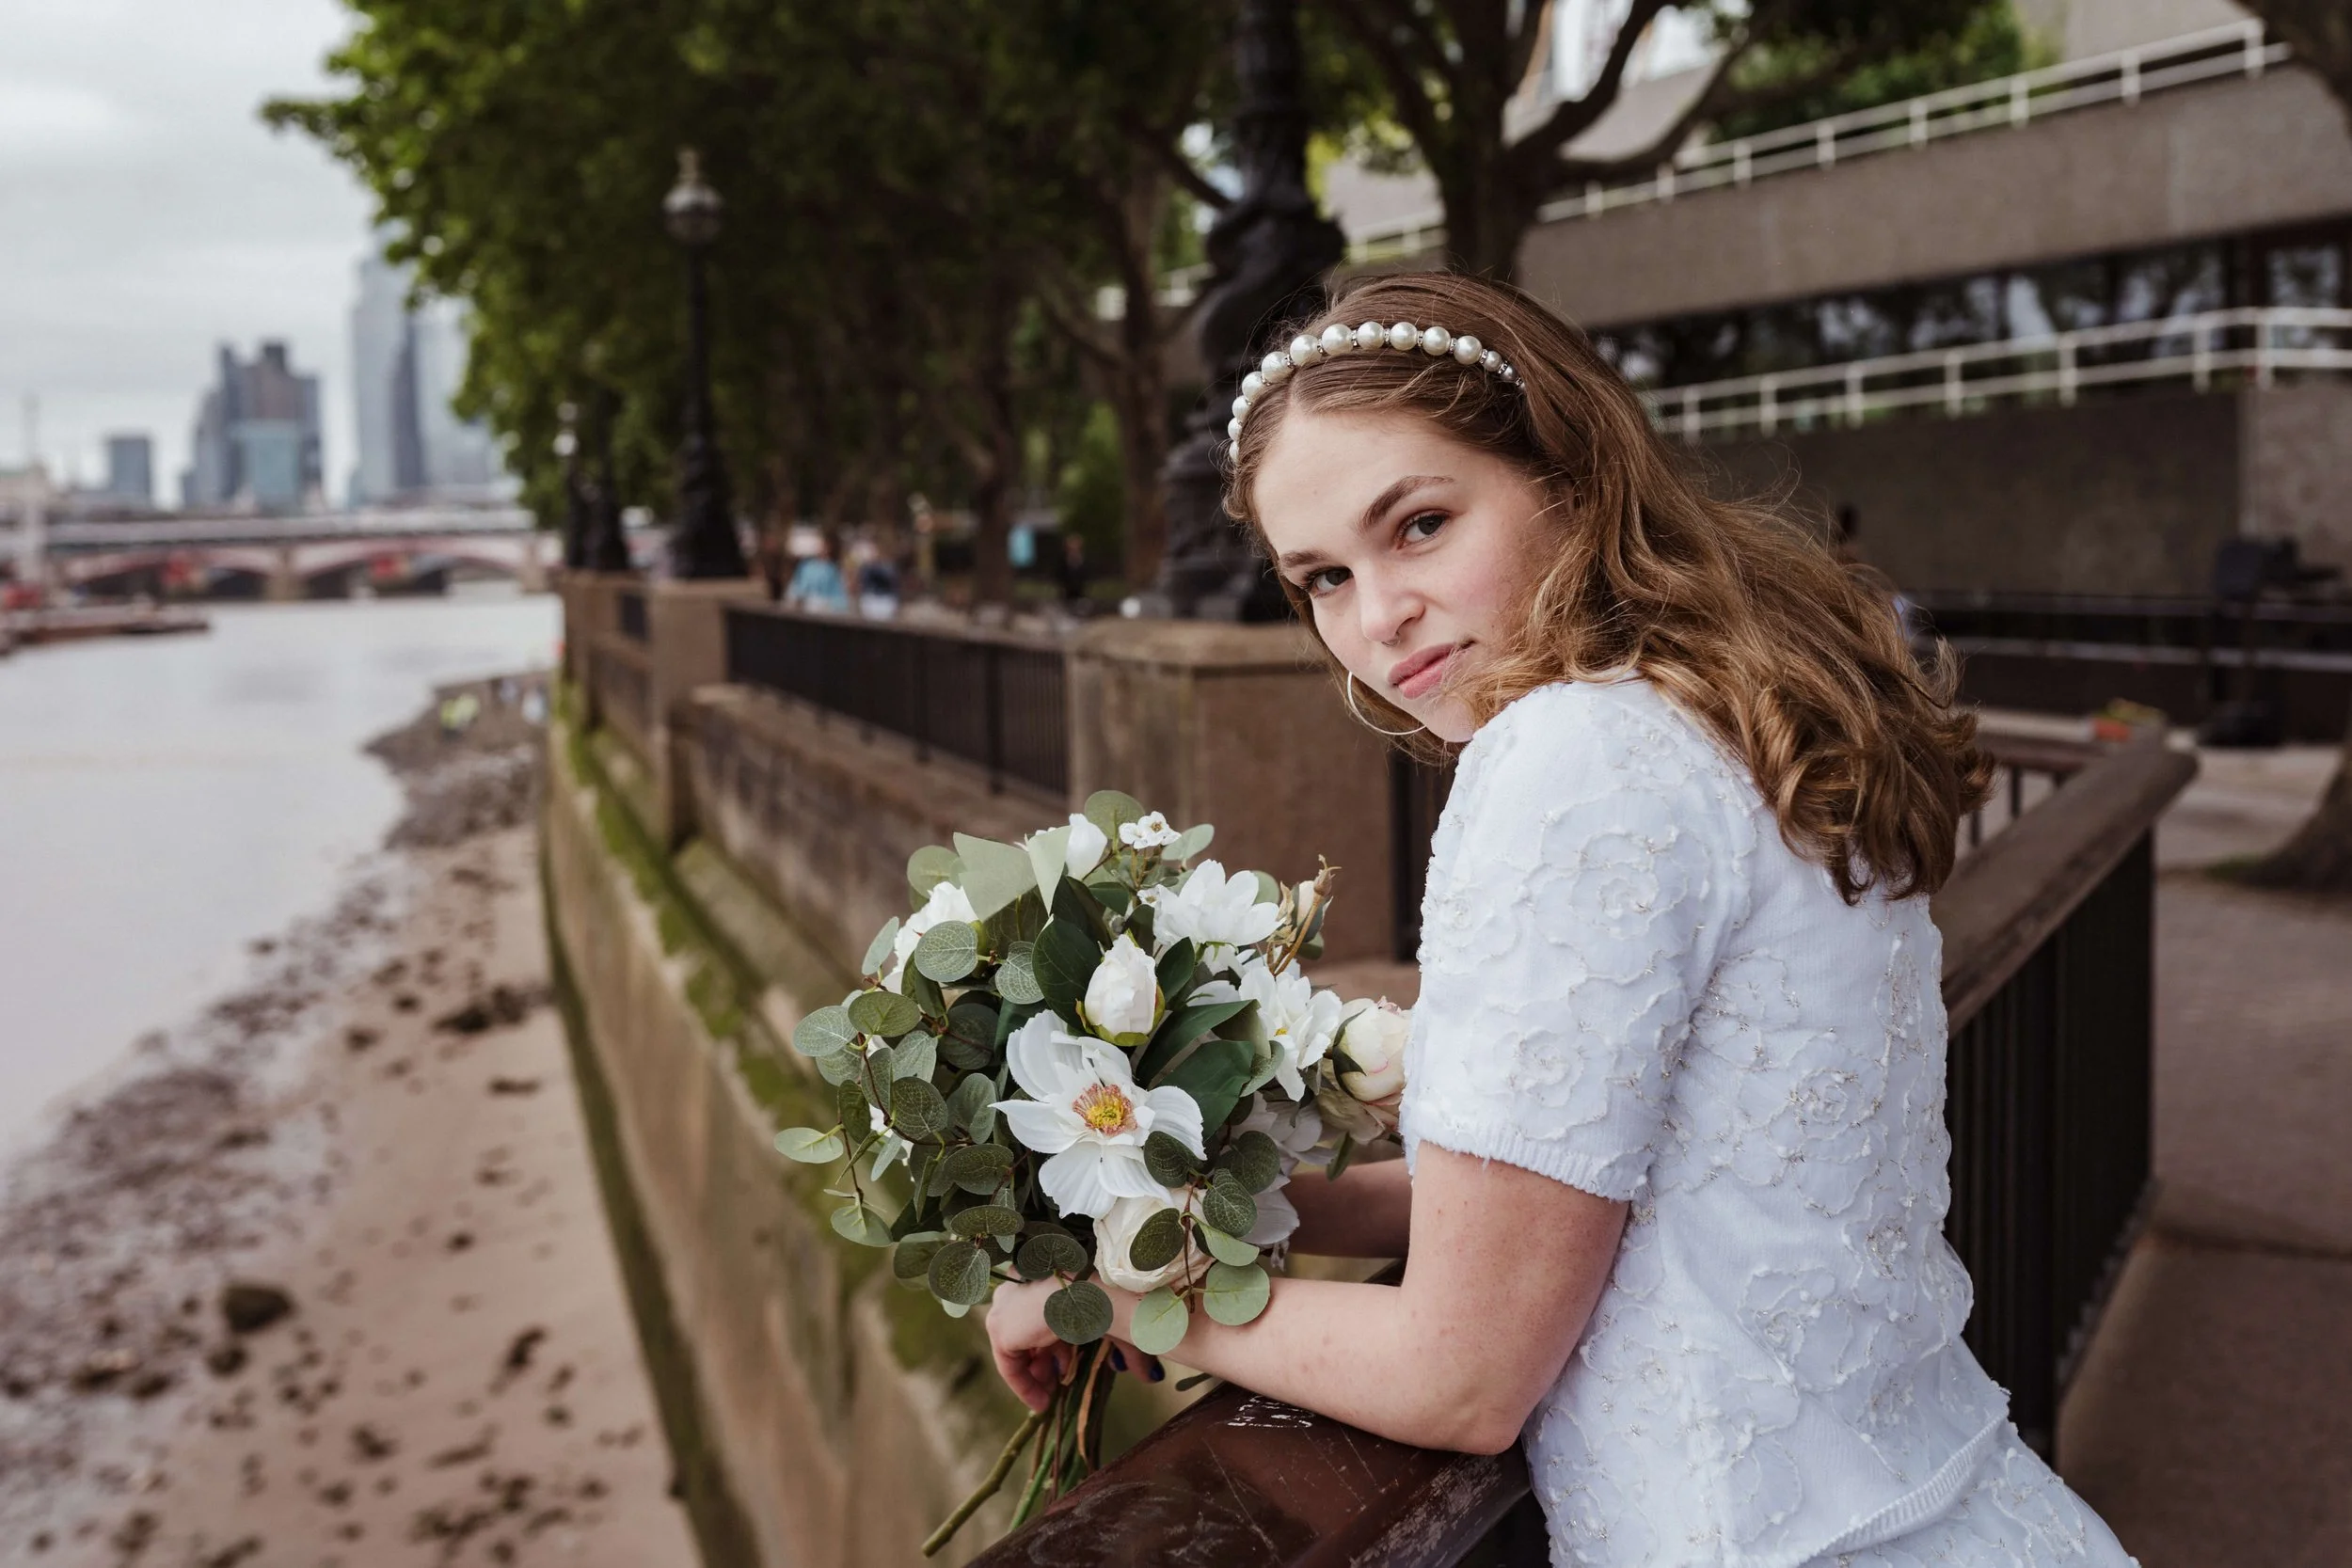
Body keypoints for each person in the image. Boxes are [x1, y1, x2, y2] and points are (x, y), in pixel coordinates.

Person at [985, 273, 2138, 1568]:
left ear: (1570, 479)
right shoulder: (1728, 715)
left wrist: (1122, 1292)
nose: (1378, 616)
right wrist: (1254, 1212)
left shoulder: (1565, 759)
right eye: (1321, 575)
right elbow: (1615, 1190)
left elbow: (1462, 1374)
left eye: (1419, 524)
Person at [783, 533, 849, 613]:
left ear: (828, 547)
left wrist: (825, 604)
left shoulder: (832, 569)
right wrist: (795, 597)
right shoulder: (805, 566)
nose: (820, 548)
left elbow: (840, 598)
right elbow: (795, 585)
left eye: (823, 545)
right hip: (802, 609)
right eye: (818, 545)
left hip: (821, 611)